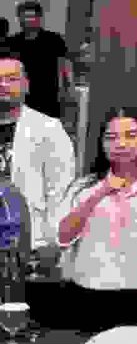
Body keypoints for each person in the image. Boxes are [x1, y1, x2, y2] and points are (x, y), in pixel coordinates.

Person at [55, 107, 137, 331]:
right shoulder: (83, 187)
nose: (121, 144)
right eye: (111, 137)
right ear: (101, 143)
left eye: (131, 135)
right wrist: (100, 192)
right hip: (87, 293)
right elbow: (63, 237)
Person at [0, 43, 78, 243]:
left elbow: (60, 192)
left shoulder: (48, 129)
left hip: (29, 237)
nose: (3, 85)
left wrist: (53, 243)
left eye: (11, 79)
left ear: (26, 85)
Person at [10, 1, 71, 118]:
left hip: (48, 93)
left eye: (31, 16)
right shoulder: (12, 42)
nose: (28, 20)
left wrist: (67, 88)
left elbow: (64, 66)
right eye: (24, 17)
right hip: (19, 95)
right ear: (19, 19)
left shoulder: (53, 40)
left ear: (39, 18)